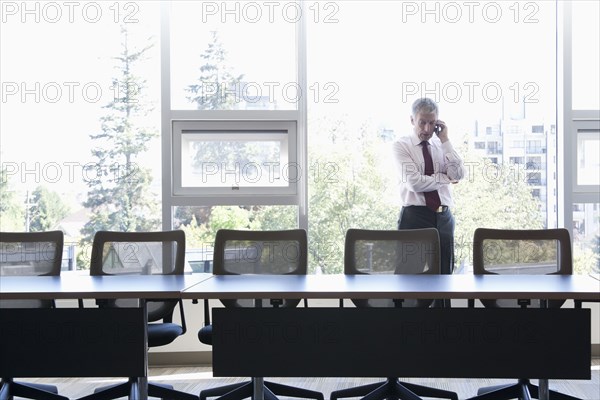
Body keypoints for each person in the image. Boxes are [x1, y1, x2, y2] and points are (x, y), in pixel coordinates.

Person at [393, 98, 464, 306]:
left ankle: (442, 331)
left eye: (432, 123)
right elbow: (415, 183)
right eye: (422, 122)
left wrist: (446, 140)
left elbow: (459, 173)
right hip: (415, 218)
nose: (426, 128)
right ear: (412, 120)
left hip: (443, 218)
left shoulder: (441, 145)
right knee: (409, 282)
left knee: (443, 281)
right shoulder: (401, 145)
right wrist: (445, 179)